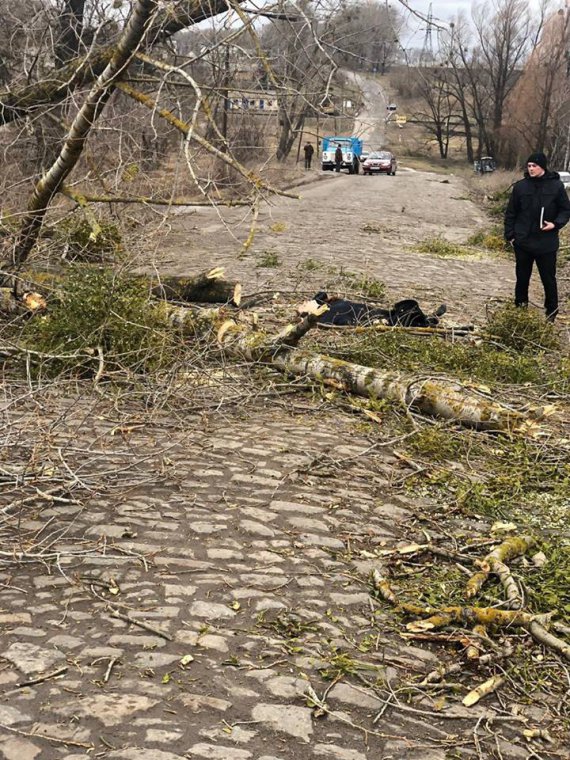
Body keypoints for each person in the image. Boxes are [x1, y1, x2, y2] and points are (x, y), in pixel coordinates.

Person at [504, 151, 570, 321]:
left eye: (535, 166)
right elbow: (511, 213)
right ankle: (520, 310)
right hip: (523, 241)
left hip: (546, 243)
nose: (531, 169)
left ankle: (551, 312)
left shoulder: (556, 186)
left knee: (548, 279)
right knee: (522, 278)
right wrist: (510, 236)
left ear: (543, 167)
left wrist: (555, 224)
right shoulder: (520, 187)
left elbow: (565, 210)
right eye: (529, 166)